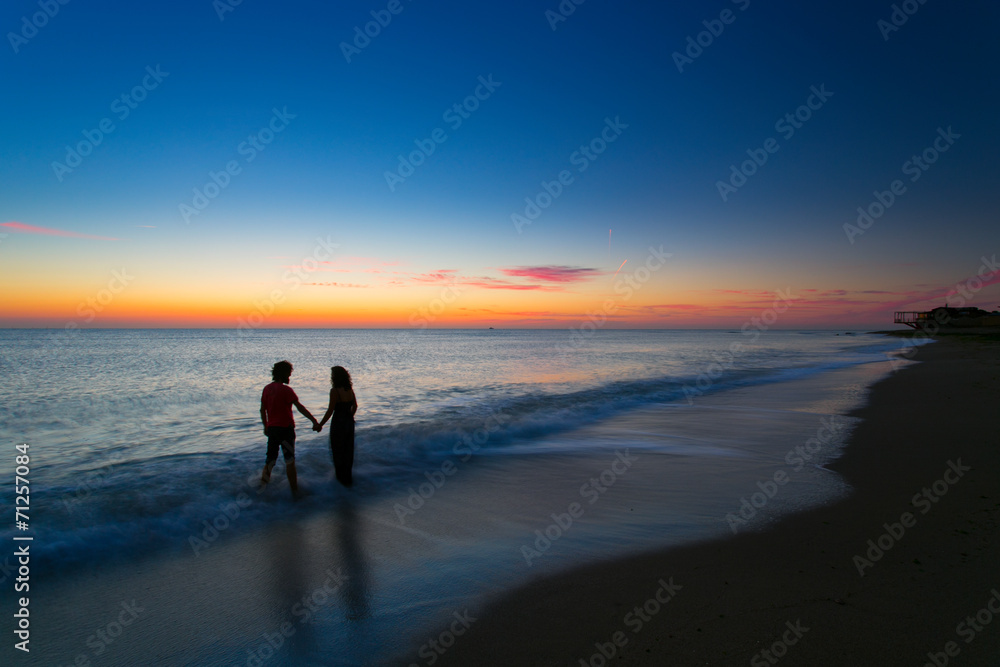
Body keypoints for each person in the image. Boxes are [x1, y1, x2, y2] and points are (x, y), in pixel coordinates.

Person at [260, 360, 318, 496]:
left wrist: (265, 426)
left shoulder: (267, 389)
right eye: (289, 374)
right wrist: (314, 421)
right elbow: (300, 408)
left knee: (270, 460)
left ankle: (262, 489)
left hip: (273, 429)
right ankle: (295, 492)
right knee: (289, 461)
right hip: (286, 430)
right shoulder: (286, 390)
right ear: (284, 374)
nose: (289, 377)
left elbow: (262, 410)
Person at [316, 365, 358, 486]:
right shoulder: (349, 389)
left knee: (338, 450)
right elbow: (355, 406)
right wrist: (350, 416)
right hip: (349, 423)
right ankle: (348, 479)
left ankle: (340, 479)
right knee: (348, 450)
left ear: (335, 377)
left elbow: (330, 410)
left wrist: (320, 425)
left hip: (338, 423)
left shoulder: (334, 391)